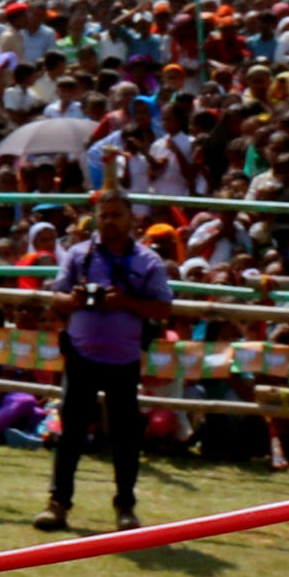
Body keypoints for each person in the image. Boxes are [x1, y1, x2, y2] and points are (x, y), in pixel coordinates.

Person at [35, 189, 176, 533]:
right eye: (104, 215)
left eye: (117, 215)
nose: (110, 221)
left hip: (124, 359)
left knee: (125, 435)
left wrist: (126, 302)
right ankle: (58, 504)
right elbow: (56, 297)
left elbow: (162, 308)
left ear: (132, 220)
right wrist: (75, 299)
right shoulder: (78, 255)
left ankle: (125, 507)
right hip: (81, 354)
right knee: (71, 433)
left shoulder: (148, 262)